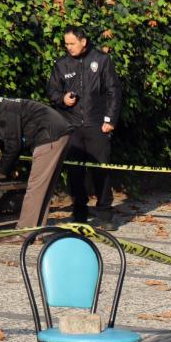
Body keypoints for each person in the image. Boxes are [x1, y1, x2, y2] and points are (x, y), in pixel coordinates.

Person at [0, 97, 73, 243]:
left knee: (35, 187)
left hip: (48, 136)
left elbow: (13, 146)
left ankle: (23, 234)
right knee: (44, 188)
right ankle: (36, 234)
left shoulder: (3, 115)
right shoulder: (3, 107)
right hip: (59, 132)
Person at [46, 27, 122, 229]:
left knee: (100, 170)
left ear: (83, 41)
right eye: (66, 44)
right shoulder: (61, 64)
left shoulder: (102, 61)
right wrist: (62, 99)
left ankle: (105, 213)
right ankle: (79, 211)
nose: (68, 47)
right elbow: (52, 91)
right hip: (71, 126)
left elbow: (113, 92)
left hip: (97, 124)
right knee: (75, 172)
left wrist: (110, 120)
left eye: (71, 43)